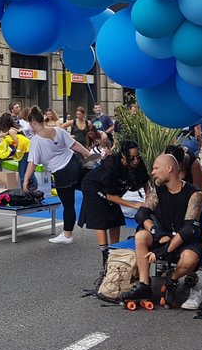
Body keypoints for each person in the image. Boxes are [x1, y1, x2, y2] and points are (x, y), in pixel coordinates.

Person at [124, 154, 202, 310]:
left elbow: (189, 229)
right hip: (164, 237)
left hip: (186, 241)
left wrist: (163, 251)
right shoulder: (158, 191)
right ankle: (144, 285)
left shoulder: (195, 195)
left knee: (189, 258)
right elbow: (141, 214)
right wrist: (155, 231)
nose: (153, 172)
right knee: (141, 235)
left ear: (169, 169)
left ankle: (172, 280)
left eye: (156, 168)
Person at [23, 106, 99, 245]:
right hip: (74, 162)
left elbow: (32, 162)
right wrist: (88, 154)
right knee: (91, 188)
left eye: (30, 123)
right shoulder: (58, 130)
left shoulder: (36, 140)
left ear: (34, 122)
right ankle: (107, 202)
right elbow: (74, 145)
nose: (30, 126)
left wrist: (26, 179)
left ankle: (67, 235)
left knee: (68, 205)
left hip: (62, 173)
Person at [78, 140, 146, 272]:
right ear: (123, 156)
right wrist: (134, 205)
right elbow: (110, 196)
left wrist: (148, 197)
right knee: (101, 218)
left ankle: (115, 249)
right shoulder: (112, 165)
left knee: (115, 217)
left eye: (137, 157)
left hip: (111, 190)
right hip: (93, 186)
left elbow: (144, 180)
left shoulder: (137, 163)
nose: (136, 160)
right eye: (132, 158)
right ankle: (105, 254)